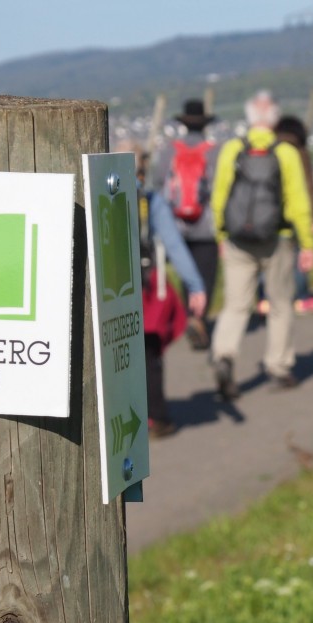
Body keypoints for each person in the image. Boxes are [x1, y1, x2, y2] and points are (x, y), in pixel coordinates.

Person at [209, 91, 313, 400]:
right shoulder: (286, 152)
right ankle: (279, 366)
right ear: (274, 118)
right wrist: (307, 243)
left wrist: (220, 234)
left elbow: (219, 196)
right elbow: (298, 203)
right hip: (277, 238)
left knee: (236, 305)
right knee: (281, 304)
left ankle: (225, 355)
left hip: (237, 240)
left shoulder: (232, 149)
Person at [120, 142, 208, 439]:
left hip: (110, 290)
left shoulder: (100, 193)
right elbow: (173, 245)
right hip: (146, 288)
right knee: (150, 353)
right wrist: (195, 285)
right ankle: (156, 417)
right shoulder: (149, 198)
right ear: (143, 167)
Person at [153, 98, 220, 351]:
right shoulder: (215, 150)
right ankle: (199, 318)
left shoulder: (170, 151)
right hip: (207, 227)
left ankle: (190, 316)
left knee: (186, 274)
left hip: (177, 227)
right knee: (206, 276)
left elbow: (159, 183)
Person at [274, 115, 313, 314]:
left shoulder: (271, 151)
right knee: (300, 255)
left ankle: (265, 300)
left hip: (272, 214)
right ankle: (301, 298)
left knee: (270, 257)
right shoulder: (301, 153)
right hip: (297, 213)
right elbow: (309, 188)